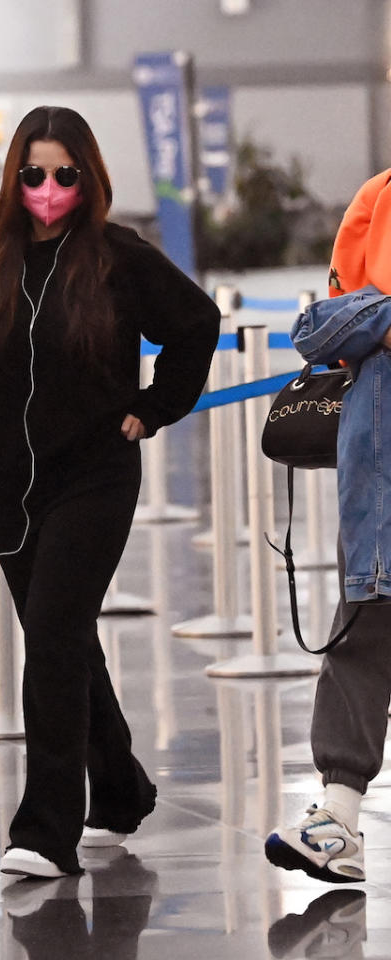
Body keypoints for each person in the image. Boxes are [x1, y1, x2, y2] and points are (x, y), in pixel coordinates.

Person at [0, 105, 220, 878]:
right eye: (33, 173)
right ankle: (119, 789)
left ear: (88, 178)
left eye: (64, 174)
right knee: (67, 640)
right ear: (13, 177)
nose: (48, 188)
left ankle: (46, 830)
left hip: (94, 478)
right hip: (8, 487)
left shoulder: (118, 257)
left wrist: (153, 409)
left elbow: (196, 323)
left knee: (51, 635)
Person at [265, 169, 391, 884]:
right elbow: (331, 323)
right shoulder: (379, 195)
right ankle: (336, 820)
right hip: (380, 475)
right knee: (363, 628)